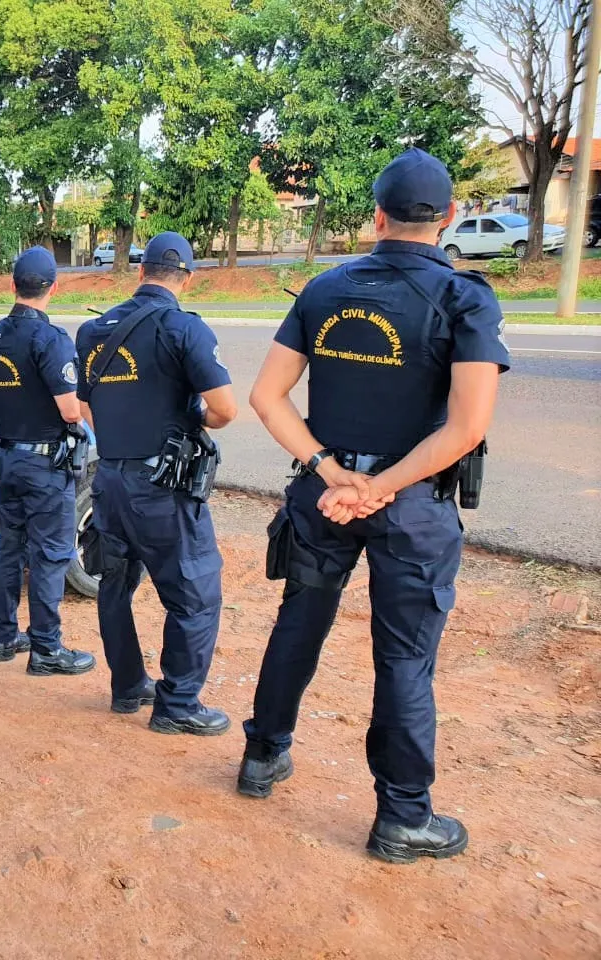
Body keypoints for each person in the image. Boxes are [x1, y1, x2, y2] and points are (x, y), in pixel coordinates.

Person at [238, 148, 509, 864]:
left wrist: (332, 472)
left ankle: (262, 756)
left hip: (324, 498)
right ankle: (402, 818)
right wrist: (382, 487)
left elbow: (268, 397)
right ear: (448, 217)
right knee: (405, 659)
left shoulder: (324, 290)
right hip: (411, 508)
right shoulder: (464, 298)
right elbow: (467, 426)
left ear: (377, 217)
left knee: (299, 621)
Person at [75, 232, 238, 730]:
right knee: (196, 594)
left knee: (115, 585)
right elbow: (225, 409)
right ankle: (179, 705)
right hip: (162, 488)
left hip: (110, 478)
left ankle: (127, 688)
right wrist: (195, 421)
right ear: (185, 278)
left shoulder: (92, 331)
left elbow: (86, 406)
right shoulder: (183, 328)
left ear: (141, 272)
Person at [0, 247, 96, 676]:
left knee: (8, 549)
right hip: (45, 467)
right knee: (50, 554)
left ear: (12, 286)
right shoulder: (51, 340)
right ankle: (46, 649)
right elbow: (70, 411)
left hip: (5, 459)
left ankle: (4, 638)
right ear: (53, 288)